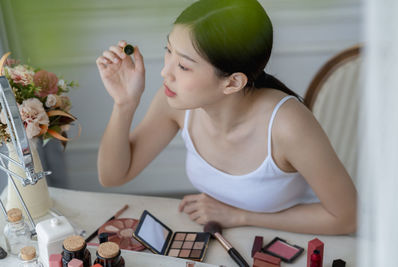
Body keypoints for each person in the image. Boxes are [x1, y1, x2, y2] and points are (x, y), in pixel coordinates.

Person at [96, 0, 357, 235]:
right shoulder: (175, 103)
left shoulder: (287, 125)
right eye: (168, 50)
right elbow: (113, 176)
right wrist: (124, 104)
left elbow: (347, 219)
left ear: (232, 82)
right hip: (232, 237)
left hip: (308, 241)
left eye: (184, 66)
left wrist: (240, 216)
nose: (165, 71)